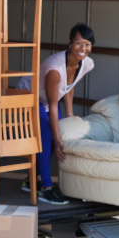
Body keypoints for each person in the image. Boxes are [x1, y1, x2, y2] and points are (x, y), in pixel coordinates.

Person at [16, 23, 95, 205]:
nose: (83, 48)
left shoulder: (87, 63)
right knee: (49, 135)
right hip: (28, 95)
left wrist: (69, 116)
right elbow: (52, 105)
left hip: (45, 98)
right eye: (78, 43)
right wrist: (57, 138)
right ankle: (47, 189)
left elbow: (68, 87)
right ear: (69, 43)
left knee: (57, 134)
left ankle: (30, 180)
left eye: (87, 44)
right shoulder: (55, 69)